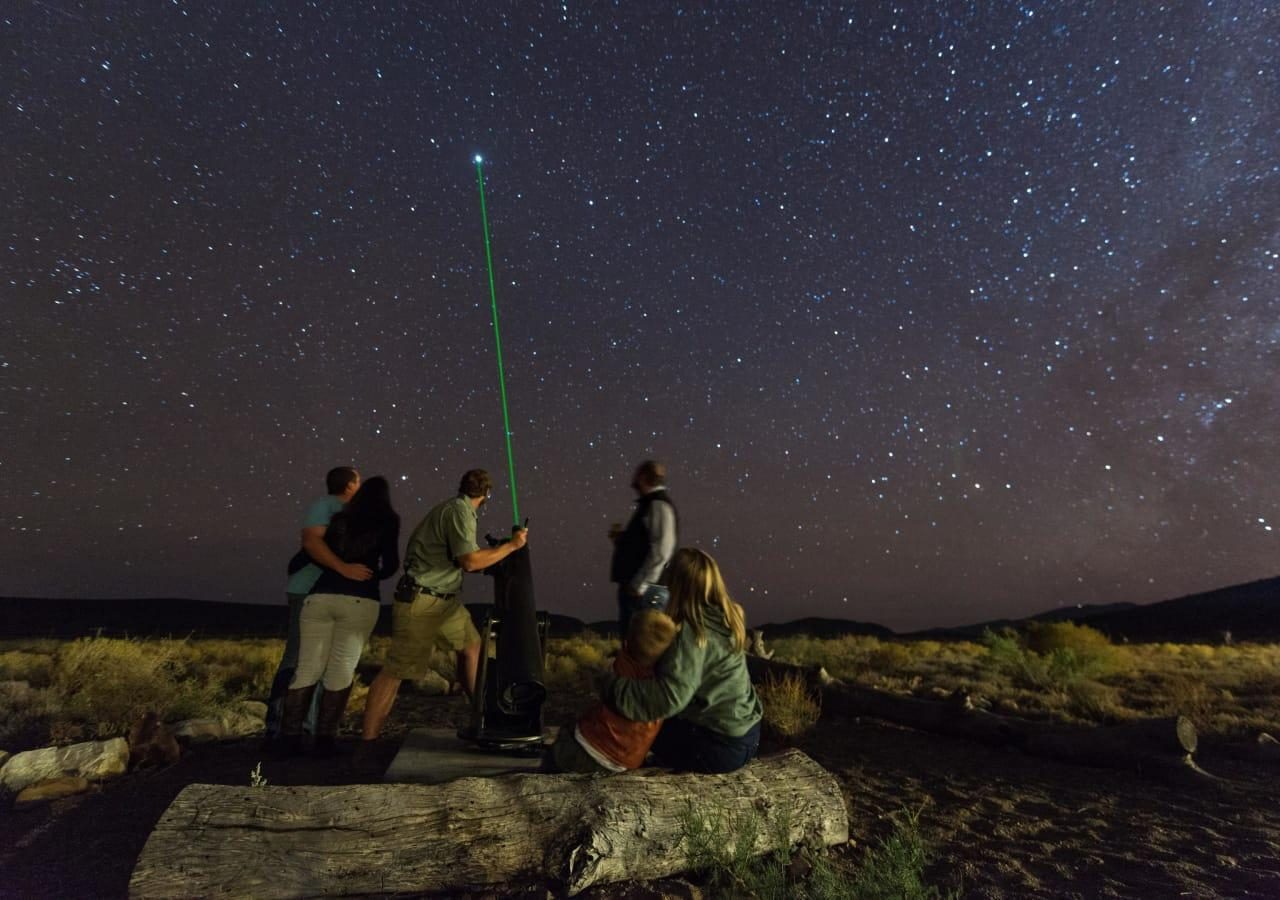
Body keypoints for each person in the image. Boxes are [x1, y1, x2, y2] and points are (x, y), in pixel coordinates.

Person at [355, 469, 529, 760]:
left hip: (446, 600)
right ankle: (366, 745)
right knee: (398, 671)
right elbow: (470, 562)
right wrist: (512, 546)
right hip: (423, 600)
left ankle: (482, 719)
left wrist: (498, 550)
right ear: (487, 495)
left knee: (471, 648)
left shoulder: (457, 510)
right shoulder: (458, 512)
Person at [600, 548, 762, 774]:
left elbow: (669, 698)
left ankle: (610, 765)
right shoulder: (724, 619)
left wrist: (610, 686)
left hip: (720, 748)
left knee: (643, 724)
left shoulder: (693, 633)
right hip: (748, 736)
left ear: (675, 585)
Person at [279, 476, 400, 757]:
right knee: (341, 670)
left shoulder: (340, 517)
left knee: (307, 668)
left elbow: (311, 551)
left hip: (319, 596)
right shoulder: (388, 519)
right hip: (360, 599)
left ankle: (289, 741)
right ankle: (324, 741)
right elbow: (391, 562)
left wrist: (341, 567)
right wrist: (375, 575)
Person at [265, 466, 371, 741]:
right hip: (307, 591)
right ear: (349, 485)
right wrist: (344, 568)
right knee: (298, 659)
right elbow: (312, 542)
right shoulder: (327, 505)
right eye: (358, 481)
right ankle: (278, 727)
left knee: (318, 662)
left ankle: (308, 729)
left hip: (324, 594)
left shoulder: (346, 513)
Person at [544, 609, 678, 773]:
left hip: (587, 749)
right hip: (624, 763)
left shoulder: (620, 664)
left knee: (564, 739)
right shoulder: (664, 686)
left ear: (628, 642)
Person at [609, 460, 678, 636]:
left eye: (637, 474)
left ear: (644, 477)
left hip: (645, 593)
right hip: (643, 591)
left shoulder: (658, 505)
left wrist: (640, 585)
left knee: (640, 648)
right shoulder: (650, 505)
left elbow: (662, 550)